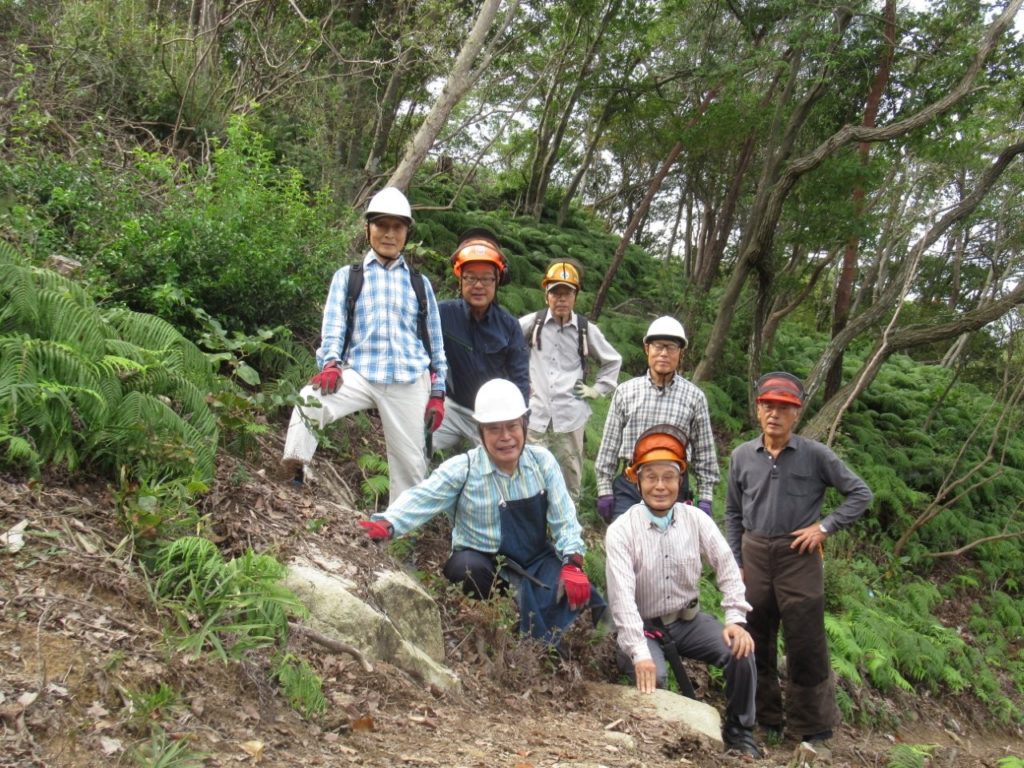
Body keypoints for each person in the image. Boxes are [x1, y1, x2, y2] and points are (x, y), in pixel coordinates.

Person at [360, 378, 603, 646]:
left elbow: (564, 519)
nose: (505, 437)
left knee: (580, 595)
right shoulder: (464, 469)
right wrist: (388, 523)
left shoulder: (542, 462)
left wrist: (572, 562)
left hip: (536, 561)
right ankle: (503, 618)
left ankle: (555, 646)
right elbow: (422, 498)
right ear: (481, 432)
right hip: (486, 565)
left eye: (512, 426)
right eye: (494, 429)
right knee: (465, 567)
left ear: (524, 424)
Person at [725, 372, 872, 747]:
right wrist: (735, 560)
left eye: (784, 408)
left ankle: (812, 726)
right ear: (758, 409)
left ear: (797, 413)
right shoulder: (742, 456)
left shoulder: (816, 455)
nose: (774, 414)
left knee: (806, 640)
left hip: (799, 556)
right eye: (768, 406)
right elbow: (733, 513)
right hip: (755, 554)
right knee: (755, 636)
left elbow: (860, 493)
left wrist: (824, 527)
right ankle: (763, 718)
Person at [280, 187, 448, 502]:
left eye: (397, 227)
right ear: (368, 228)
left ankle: (397, 528)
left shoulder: (419, 283)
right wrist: (331, 363)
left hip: (409, 379)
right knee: (310, 400)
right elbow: (334, 325)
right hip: (360, 373)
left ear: (407, 233)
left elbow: (435, 343)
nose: (389, 234)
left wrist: (438, 393)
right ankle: (295, 475)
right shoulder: (349, 277)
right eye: (381, 225)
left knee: (411, 468)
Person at [604, 425, 762, 758]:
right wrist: (639, 652)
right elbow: (621, 600)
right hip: (642, 626)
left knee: (741, 651)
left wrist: (735, 619)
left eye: (669, 477)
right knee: (654, 678)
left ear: (680, 480)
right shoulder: (622, 531)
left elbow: (727, 566)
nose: (660, 486)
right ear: (637, 481)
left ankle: (740, 732)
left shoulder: (695, 519)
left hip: (687, 621)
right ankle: (658, 747)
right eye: (651, 477)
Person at [594, 316, 718, 522]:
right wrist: (604, 489)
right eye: (658, 346)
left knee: (671, 541)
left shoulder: (694, 397)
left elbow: (704, 452)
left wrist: (706, 497)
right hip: (630, 484)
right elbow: (609, 446)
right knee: (624, 538)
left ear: (681, 353)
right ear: (647, 349)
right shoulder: (626, 392)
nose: (664, 353)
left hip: (673, 486)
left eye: (671, 347)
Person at [519, 261, 621, 500]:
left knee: (570, 478)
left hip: (571, 416)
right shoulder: (532, 323)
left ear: (575, 296)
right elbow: (505, 345)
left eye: (567, 293)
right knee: (530, 474)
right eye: (556, 292)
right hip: (535, 414)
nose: (561, 299)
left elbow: (613, 360)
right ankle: (534, 515)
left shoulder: (586, 329)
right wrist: (517, 382)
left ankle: (569, 517)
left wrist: (597, 390)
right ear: (546, 295)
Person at [433, 229, 530, 453]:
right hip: (451, 407)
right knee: (417, 447)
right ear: (460, 279)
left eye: (486, 278)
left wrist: (522, 420)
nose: (478, 285)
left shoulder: (508, 326)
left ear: (497, 281)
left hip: (493, 417)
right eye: (471, 277)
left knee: (506, 463)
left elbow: (520, 378)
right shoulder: (441, 314)